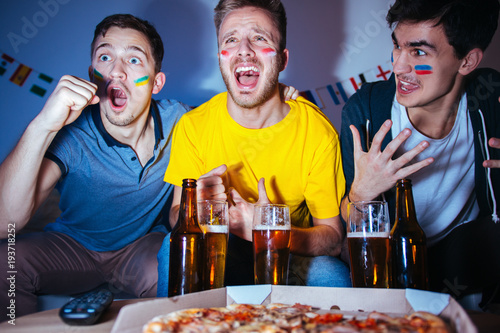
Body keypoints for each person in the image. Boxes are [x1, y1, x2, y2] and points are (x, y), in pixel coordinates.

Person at [0, 14, 193, 319]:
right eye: (105, 57)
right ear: (91, 74)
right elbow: (4, 222)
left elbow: (234, 116)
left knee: (175, 264)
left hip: (141, 248)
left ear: (156, 82)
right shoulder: (71, 131)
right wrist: (42, 126)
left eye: (133, 60)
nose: (116, 71)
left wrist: (285, 98)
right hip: (75, 246)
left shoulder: (182, 123)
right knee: (4, 262)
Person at [157, 0, 349, 295]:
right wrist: (195, 211)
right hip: (218, 252)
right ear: (220, 57)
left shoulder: (316, 131)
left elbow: (333, 240)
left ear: (283, 59)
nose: (244, 49)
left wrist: (270, 232)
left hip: (288, 257)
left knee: (329, 274)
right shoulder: (193, 126)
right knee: (174, 248)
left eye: (259, 38)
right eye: (230, 40)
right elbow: (174, 216)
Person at [340, 0, 500, 310]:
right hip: (394, 277)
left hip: (471, 268)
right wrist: (361, 193)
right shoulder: (366, 112)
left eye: (419, 52)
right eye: (397, 47)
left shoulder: (492, 97)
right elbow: (346, 238)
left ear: (467, 61)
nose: (398, 66)